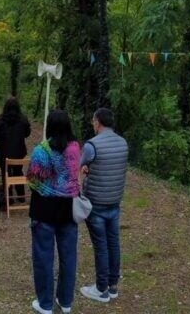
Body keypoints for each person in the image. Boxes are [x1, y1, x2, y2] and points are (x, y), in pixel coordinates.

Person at [26, 110, 81, 314]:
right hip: (68, 209)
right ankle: (65, 302)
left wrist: (48, 187)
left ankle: (45, 304)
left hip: (44, 210)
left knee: (43, 257)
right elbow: (73, 177)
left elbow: (33, 181)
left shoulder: (42, 150)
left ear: (49, 126)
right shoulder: (75, 148)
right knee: (68, 257)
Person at [79, 108, 128, 304]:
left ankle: (101, 289)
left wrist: (85, 173)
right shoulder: (123, 143)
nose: (92, 124)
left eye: (93, 121)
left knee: (101, 246)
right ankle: (113, 285)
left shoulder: (92, 145)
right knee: (113, 243)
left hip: (96, 203)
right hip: (114, 201)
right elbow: (111, 167)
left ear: (98, 122)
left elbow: (78, 168)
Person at [0, 97, 31, 201]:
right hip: (19, 152)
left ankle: (8, 197)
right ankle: (21, 196)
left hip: (3, 153)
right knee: (18, 171)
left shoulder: (0, 119)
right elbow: (27, 133)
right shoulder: (23, 119)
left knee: (5, 173)